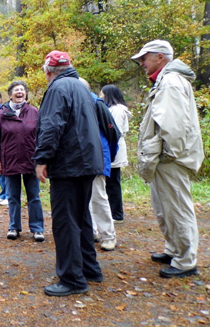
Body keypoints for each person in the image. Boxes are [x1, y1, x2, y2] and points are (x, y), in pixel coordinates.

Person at [33, 51, 103, 296]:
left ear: (48, 71)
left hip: (70, 164)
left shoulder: (57, 88)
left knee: (65, 221)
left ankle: (72, 279)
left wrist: (42, 158)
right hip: (86, 162)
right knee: (81, 218)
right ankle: (89, 270)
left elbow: (52, 125)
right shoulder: (81, 87)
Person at [132, 40, 204, 278]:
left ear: (160, 57)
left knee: (176, 208)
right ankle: (174, 249)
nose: (142, 63)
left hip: (171, 158)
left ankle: (185, 260)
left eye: (145, 58)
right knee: (165, 207)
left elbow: (172, 125)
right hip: (166, 157)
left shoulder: (170, 82)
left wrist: (167, 155)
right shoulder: (166, 80)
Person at [0, 81, 45, 242]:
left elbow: (41, 138)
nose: (19, 92)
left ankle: (37, 229)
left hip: (30, 160)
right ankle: (14, 227)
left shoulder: (34, 112)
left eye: (22, 90)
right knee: (13, 196)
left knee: (34, 196)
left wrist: (42, 158)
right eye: (16, 90)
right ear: (10, 94)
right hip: (9, 160)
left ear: (26, 94)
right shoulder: (2, 113)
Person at [79, 78, 117, 252]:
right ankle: (92, 231)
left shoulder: (97, 104)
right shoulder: (72, 103)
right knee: (83, 197)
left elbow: (112, 134)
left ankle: (108, 236)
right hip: (79, 159)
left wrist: (107, 158)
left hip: (97, 157)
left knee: (98, 196)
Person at [100, 85, 131, 223]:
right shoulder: (113, 109)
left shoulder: (117, 110)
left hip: (115, 148)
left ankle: (117, 214)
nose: (100, 96)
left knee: (113, 183)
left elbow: (114, 131)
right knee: (111, 182)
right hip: (113, 147)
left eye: (102, 93)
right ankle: (113, 212)